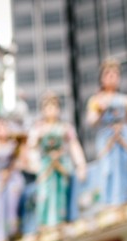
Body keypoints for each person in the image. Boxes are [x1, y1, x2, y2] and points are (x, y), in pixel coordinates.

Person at [86, 58, 127, 206]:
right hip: (106, 140)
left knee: (125, 168)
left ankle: (125, 200)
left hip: (124, 138)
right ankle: (109, 203)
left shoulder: (126, 100)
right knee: (107, 170)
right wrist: (100, 110)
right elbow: (91, 120)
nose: (112, 76)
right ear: (102, 78)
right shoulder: (96, 100)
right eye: (108, 73)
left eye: (115, 73)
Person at [26, 91, 87, 228]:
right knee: (44, 194)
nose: (51, 110)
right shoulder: (38, 128)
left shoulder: (65, 127)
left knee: (61, 193)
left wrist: (80, 164)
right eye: (48, 107)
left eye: (54, 106)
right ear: (43, 110)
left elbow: (74, 145)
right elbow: (31, 147)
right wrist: (34, 164)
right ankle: (45, 224)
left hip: (61, 165)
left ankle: (60, 221)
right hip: (46, 166)